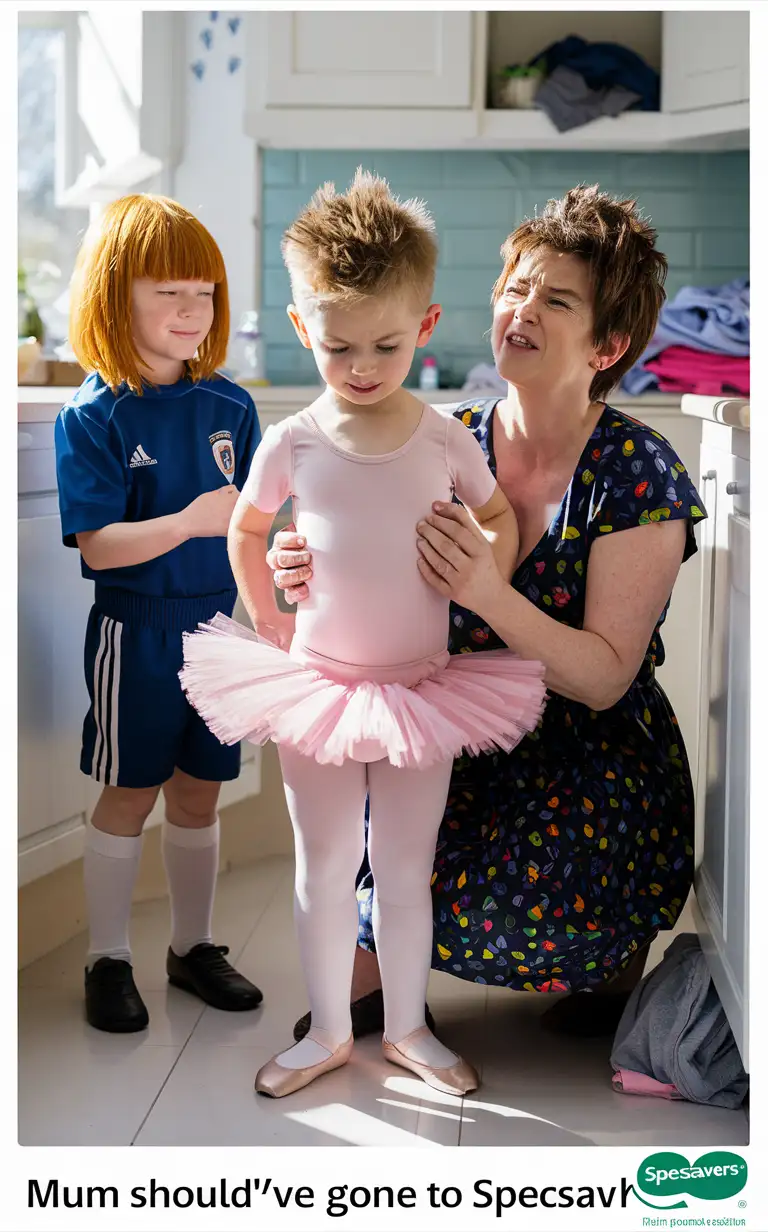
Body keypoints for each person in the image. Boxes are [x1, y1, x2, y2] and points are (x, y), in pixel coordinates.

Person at [269, 184, 707, 1042]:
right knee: (372, 854)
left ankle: (606, 969)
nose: (521, 308)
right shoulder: (439, 434)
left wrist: (488, 594)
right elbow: (359, 572)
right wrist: (303, 570)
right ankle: (380, 987)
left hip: (585, 757)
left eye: (556, 299)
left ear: (607, 343)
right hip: (450, 729)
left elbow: (605, 677)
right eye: (515, 286)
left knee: (537, 925)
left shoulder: (636, 472)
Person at [180, 171, 546, 1097]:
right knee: (326, 864)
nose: (363, 365)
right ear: (304, 329)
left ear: (424, 327)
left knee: (405, 868)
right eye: (339, 345)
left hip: (426, 683)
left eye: (386, 343)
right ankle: (330, 1032)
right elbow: (248, 528)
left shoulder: (441, 437)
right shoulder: (293, 437)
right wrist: (267, 608)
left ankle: (410, 1026)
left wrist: (479, 564)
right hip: (322, 685)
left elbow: (499, 518)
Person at [54, 194, 264, 1033]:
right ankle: (107, 957)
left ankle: (193, 947)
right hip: (133, 632)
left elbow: (258, 524)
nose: (191, 310)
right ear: (115, 297)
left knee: (200, 794)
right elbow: (100, 548)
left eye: (203, 292)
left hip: (219, 629)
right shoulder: (94, 413)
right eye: (166, 291)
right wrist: (186, 521)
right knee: (128, 790)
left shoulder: (231, 408)